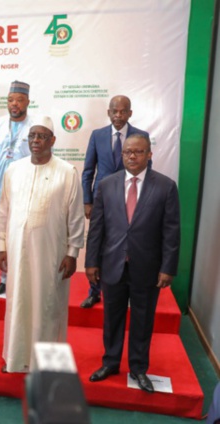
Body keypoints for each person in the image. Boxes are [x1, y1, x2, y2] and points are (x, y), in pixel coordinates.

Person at [87, 134, 180, 393]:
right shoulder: (107, 184)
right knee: (112, 318)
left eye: (138, 152)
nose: (132, 156)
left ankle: (138, 368)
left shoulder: (165, 186)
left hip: (147, 268)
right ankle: (111, 363)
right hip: (112, 265)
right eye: (127, 152)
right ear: (122, 154)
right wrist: (91, 262)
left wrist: (168, 268)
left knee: (142, 319)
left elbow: (171, 232)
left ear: (149, 154)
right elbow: (97, 228)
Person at [0, 116, 85, 373]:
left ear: (52, 140)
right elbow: (3, 210)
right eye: (32, 136)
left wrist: (72, 252)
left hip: (51, 253)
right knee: (18, 303)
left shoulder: (67, 172)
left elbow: (75, 216)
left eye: (41, 136)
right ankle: (16, 358)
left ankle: (47, 365)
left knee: (48, 305)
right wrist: (1, 244)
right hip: (17, 249)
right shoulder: (14, 170)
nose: (35, 141)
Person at [80, 95, 150, 308]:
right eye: (114, 111)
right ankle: (94, 291)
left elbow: (148, 170)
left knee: (127, 244)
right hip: (103, 200)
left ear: (130, 113)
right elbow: (88, 171)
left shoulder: (141, 136)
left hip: (132, 200)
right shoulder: (97, 135)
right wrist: (87, 201)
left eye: (123, 111)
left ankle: (127, 289)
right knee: (99, 243)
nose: (118, 115)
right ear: (108, 113)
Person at [0, 81, 33, 296]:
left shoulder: (35, 127)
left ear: (27, 102)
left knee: (23, 235)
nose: (14, 104)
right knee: (1, 234)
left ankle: (23, 278)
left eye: (19, 100)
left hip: (24, 192)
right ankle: (4, 279)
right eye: (11, 100)